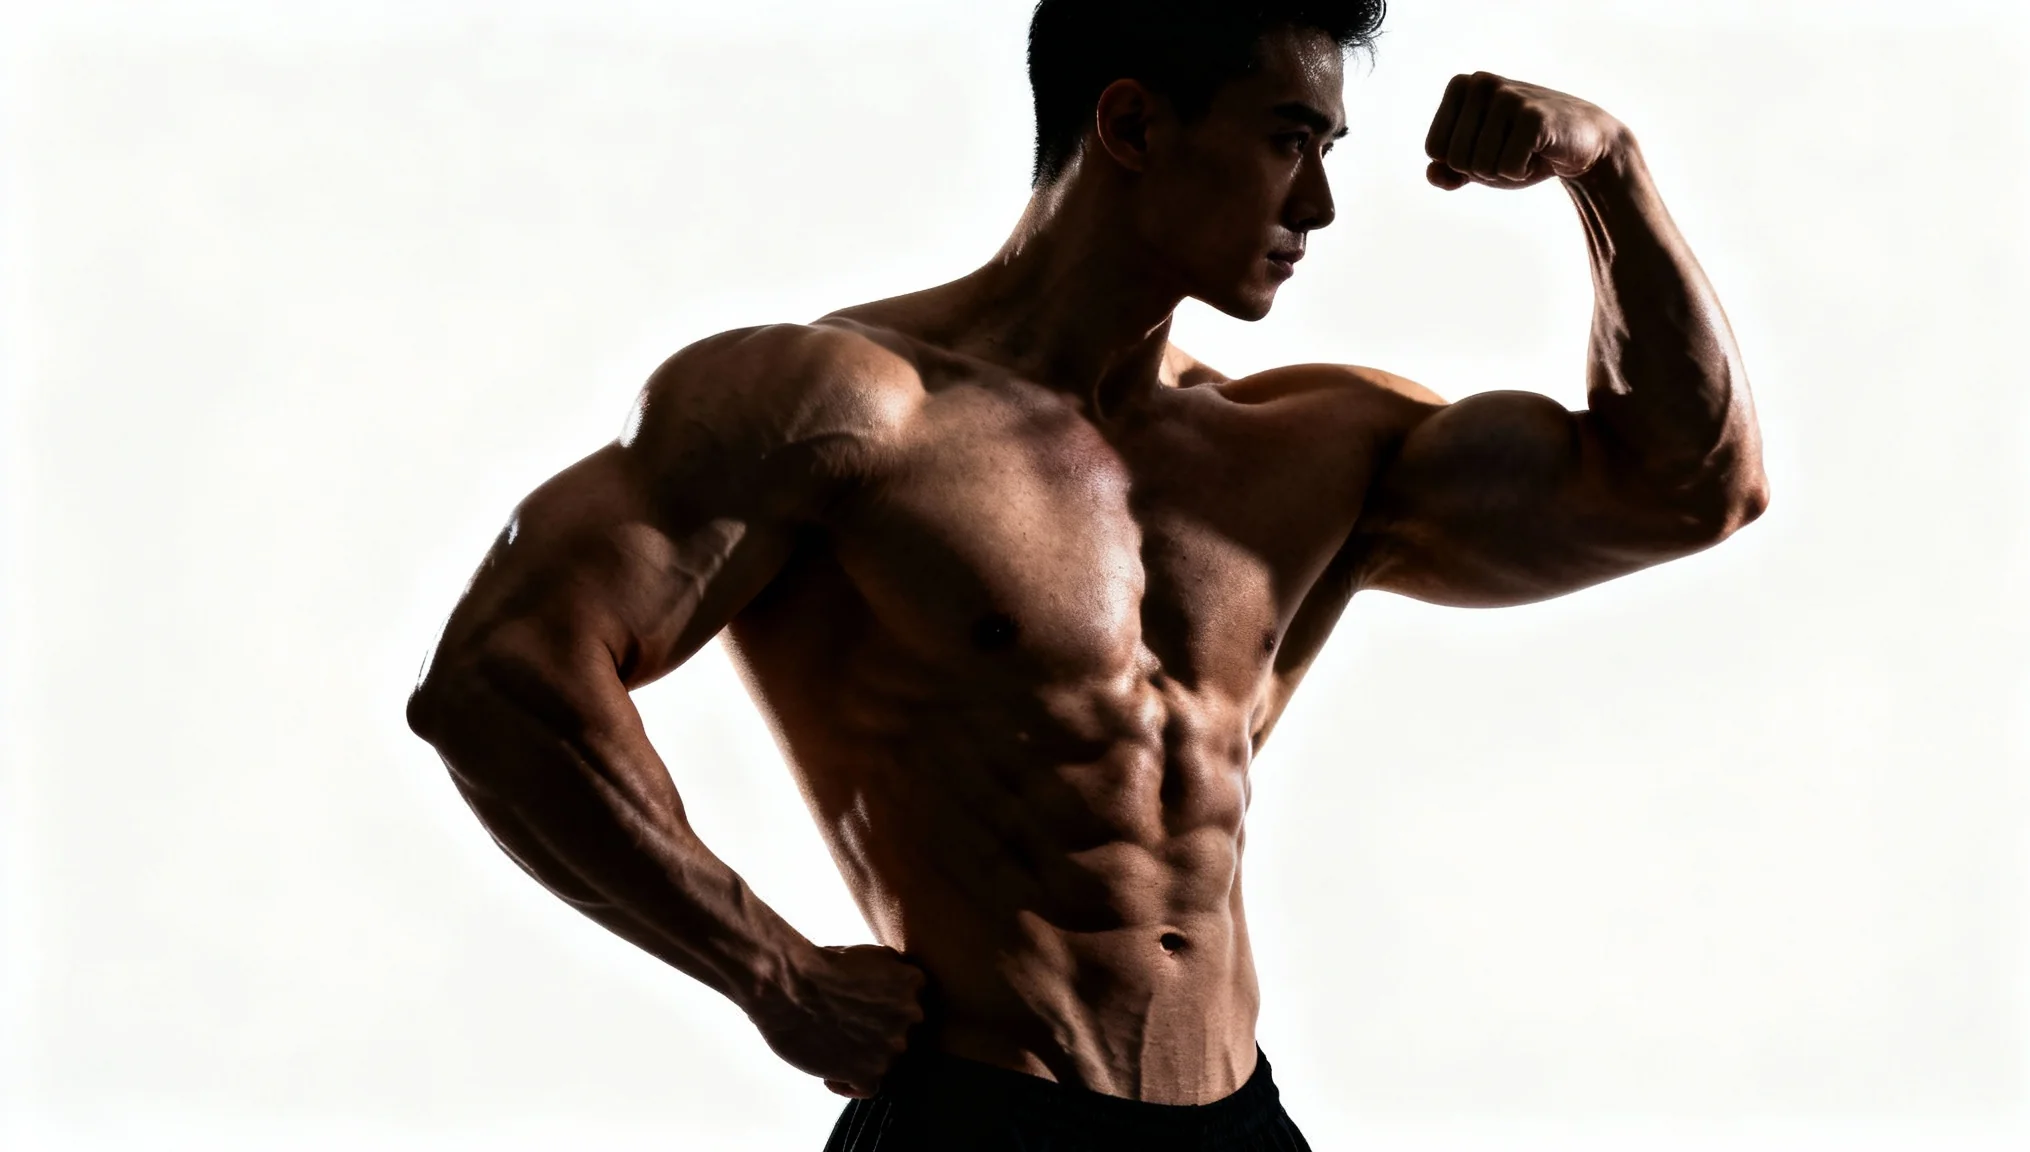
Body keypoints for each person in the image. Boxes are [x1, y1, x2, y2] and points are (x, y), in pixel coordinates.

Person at [405, 0, 1768, 1147]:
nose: (1323, 204)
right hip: (973, 1117)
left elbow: (1692, 491)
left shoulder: (1316, 445)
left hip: (1241, 1120)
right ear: (1131, 126)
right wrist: (768, 970)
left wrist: (1614, 172)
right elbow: (502, 680)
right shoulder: (843, 408)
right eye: (1289, 140)